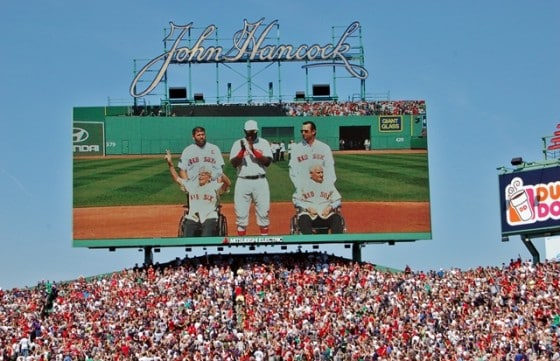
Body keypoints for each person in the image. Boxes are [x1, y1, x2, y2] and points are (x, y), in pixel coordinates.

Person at [165, 150, 230, 237]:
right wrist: (170, 163)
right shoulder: (191, 185)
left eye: (203, 175)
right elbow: (176, 178)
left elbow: (228, 184)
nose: (200, 176)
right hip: (193, 217)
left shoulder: (214, 186)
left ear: (209, 177)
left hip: (209, 217)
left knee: (206, 237)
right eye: (200, 174)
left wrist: (221, 174)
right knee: (186, 239)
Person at [229, 120, 273, 236]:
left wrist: (253, 150)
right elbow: (234, 163)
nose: (251, 135)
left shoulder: (263, 143)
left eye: (253, 132)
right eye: (249, 132)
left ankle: (264, 242)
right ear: (244, 131)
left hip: (260, 181)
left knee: (263, 212)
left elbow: (267, 162)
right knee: (241, 214)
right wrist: (242, 151)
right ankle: (242, 243)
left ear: (256, 131)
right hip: (243, 181)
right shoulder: (237, 143)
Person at [292, 164, 343, 234]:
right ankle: (309, 242)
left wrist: (330, 207)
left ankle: (337, 242)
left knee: (336, 218)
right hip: (309, 214)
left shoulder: (329, 184)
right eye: (318, 173)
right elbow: (296, 200)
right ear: (311, 174)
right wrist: (307, 208)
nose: (321, 175)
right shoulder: (303, 185)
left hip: (326, 214)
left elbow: (338, 200)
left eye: (322, 172)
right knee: (303, 219)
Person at [289, 121, 336, 190]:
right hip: (303, 189)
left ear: (313, 131)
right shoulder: (296, 149)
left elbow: (330, 169)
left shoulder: (324, 148)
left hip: (322, 188)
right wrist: (299, 186)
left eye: (306, 131)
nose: (303, 133)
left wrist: (327, 186)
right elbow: (293, 170)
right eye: (302, 131)